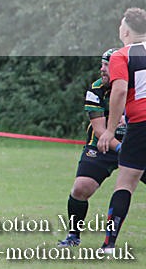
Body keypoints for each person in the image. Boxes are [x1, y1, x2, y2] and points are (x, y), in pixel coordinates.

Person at [58, 48, 146, 247]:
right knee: (81, 188)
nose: (102, 69)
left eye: (108, 65)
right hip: (104, 147)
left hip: (136, 144)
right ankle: (73, 235)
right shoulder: (96, 89)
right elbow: (100, 131)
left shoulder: (138, 88)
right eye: (102, 64)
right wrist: (124, 151)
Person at [97, 7, 146, 253]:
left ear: (125, 30)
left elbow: (118, 90)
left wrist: (110, 128)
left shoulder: (121, 55)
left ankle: (109, 244)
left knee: (125, 183)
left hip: (141, 123)